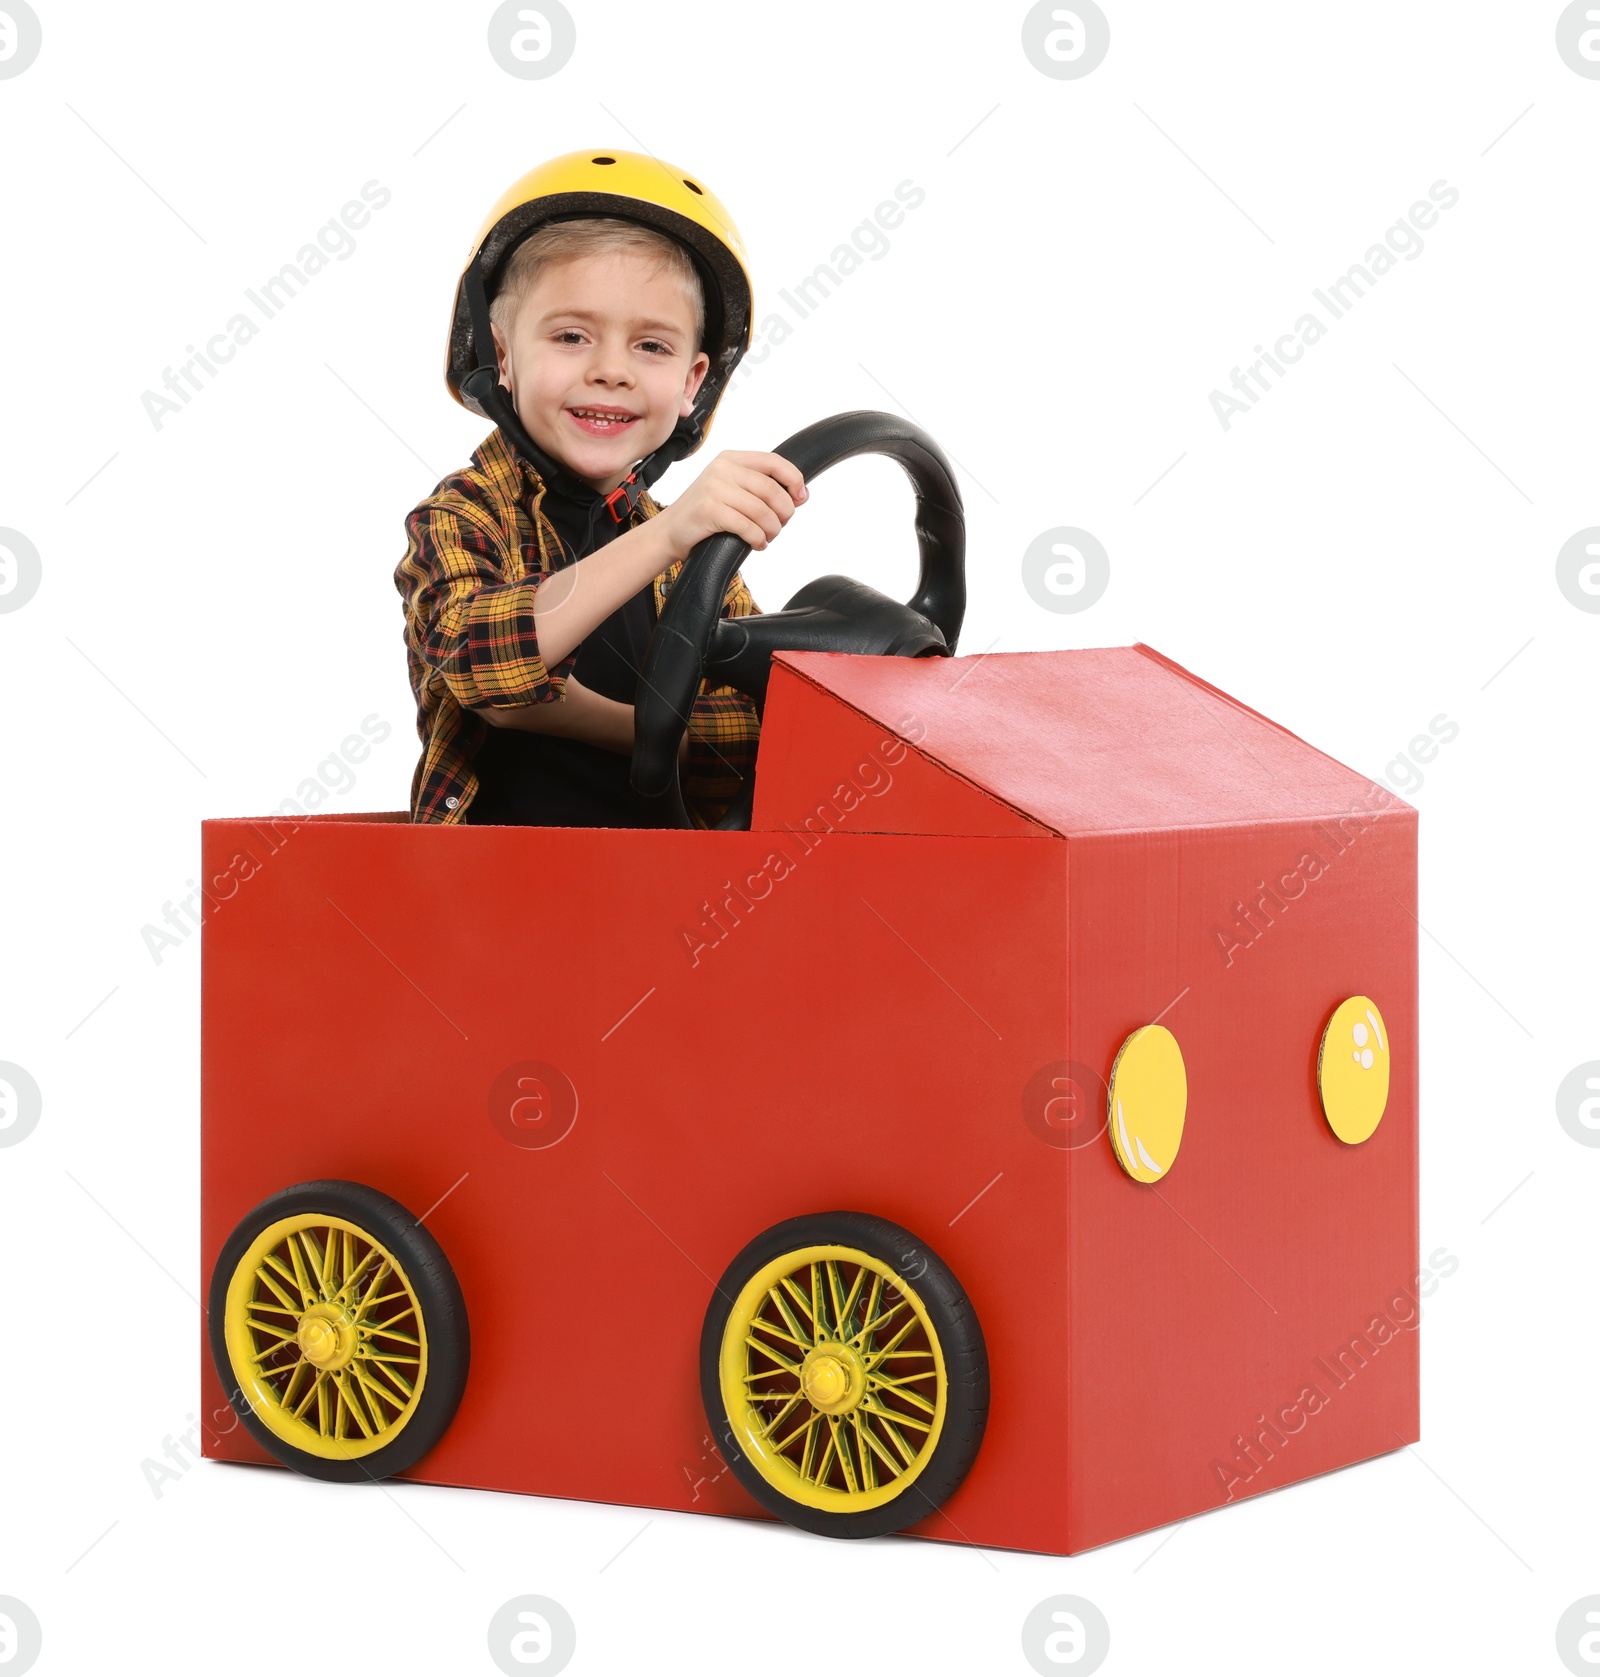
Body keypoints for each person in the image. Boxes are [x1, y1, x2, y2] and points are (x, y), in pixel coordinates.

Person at [394, 150, 807, 828]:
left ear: (691, 383)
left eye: (651, 347)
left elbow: (749, 734)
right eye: (572, 336)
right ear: (503, 357)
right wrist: (670, 533)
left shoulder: (700, 561)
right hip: (490, 905)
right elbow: (477, 664)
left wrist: (590, 717)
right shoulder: (461, 516)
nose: (611, 370)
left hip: (673, 906)